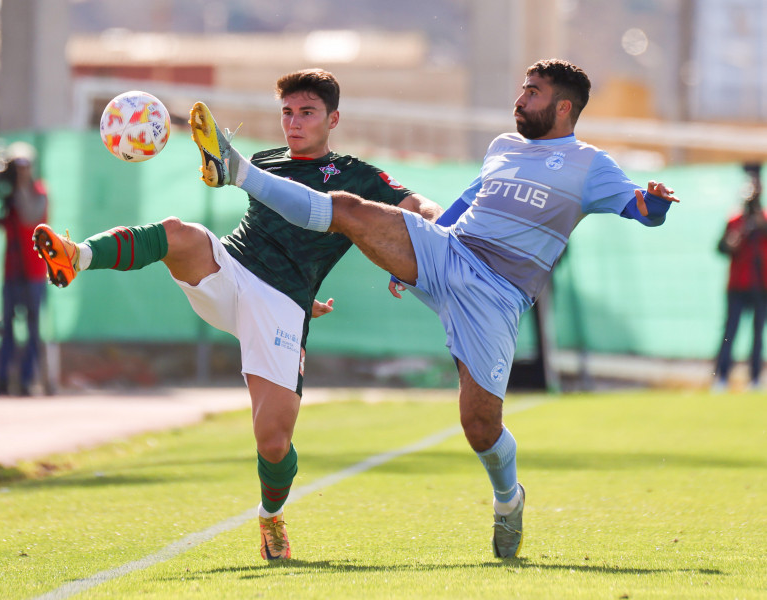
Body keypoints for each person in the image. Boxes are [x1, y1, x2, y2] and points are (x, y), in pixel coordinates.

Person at [192, 58, 678, 558]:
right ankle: (237, 170)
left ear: (563, 107)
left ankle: (509, 499)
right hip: (449, 252)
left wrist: (656, 202)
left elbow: (642, 210)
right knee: (350, 209)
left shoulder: (590, 164)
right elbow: (461, 208)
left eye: (531, 92)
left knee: (480, 427)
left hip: (496, 295)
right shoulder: (504, 147)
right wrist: (406, 251)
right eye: (522, 89)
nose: (520, 99)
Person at [33, 69, 442, 560]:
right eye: (287, 112)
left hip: (281, 306)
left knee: (272, 440)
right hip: (230, 269)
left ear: (333, 119)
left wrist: (430, 232)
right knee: (178, 233)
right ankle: (76, 256)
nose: (294, 122)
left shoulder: (356, 174)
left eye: (307, 113)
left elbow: (419, 207)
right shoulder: (266, 161)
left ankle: (271, 517)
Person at [0, 142, 49, 395]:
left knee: (32, 328)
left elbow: (29, 216)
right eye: (16, 166)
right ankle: (1, 378)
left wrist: (20, 186)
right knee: (8, 327)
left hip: (33, 271)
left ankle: (26, 380)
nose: (20, 170)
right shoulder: (9, 192)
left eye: (24, 165)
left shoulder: (38, 192)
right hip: (11, 270)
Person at [713, 163, 767, 391]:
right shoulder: (735, 220)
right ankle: (721, 378)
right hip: (737, 285)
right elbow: (720, 248)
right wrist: (733, 240)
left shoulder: (764, 220)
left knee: (757, 336)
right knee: (730, 334)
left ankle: (755, 379)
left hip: (761, 285)